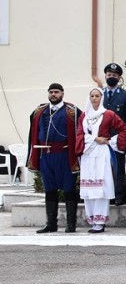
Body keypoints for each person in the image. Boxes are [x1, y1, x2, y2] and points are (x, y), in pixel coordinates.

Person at [28, 84, 83, 233]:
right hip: (46, 155)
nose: (53, 94)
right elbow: (33, 133)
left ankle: (71, 224)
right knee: (49, 189)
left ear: (62, 94)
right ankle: (51, 224)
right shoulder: (39, 111)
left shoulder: (72, 111)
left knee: (69, 188)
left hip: (65, 155)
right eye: (51, 92)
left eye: (56, 92)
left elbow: (81, 132)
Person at [78, 88, 126, 233]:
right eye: (92, 96)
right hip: (88, 153)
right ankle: (92, 219)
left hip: (102, 153)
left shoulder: (108, 114)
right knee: (89, 188)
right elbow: (79, 134)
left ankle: (100, 222)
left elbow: (124, 129)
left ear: (102, 98)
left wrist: (111, 142)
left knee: (101, 187)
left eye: (97, 96)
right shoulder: (84, 116)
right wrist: (94, 138)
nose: (94, 98)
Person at [101, 63, 126, 205]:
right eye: (109, 75)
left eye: (114, 75)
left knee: (118, 168)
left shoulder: (125, 95)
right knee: (103, 168)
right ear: (105, 76)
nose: (111, 77)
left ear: (119, 77)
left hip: (117, 138)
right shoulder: (99, 94)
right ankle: (106, 194)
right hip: (101, 138)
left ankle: (118, 195)